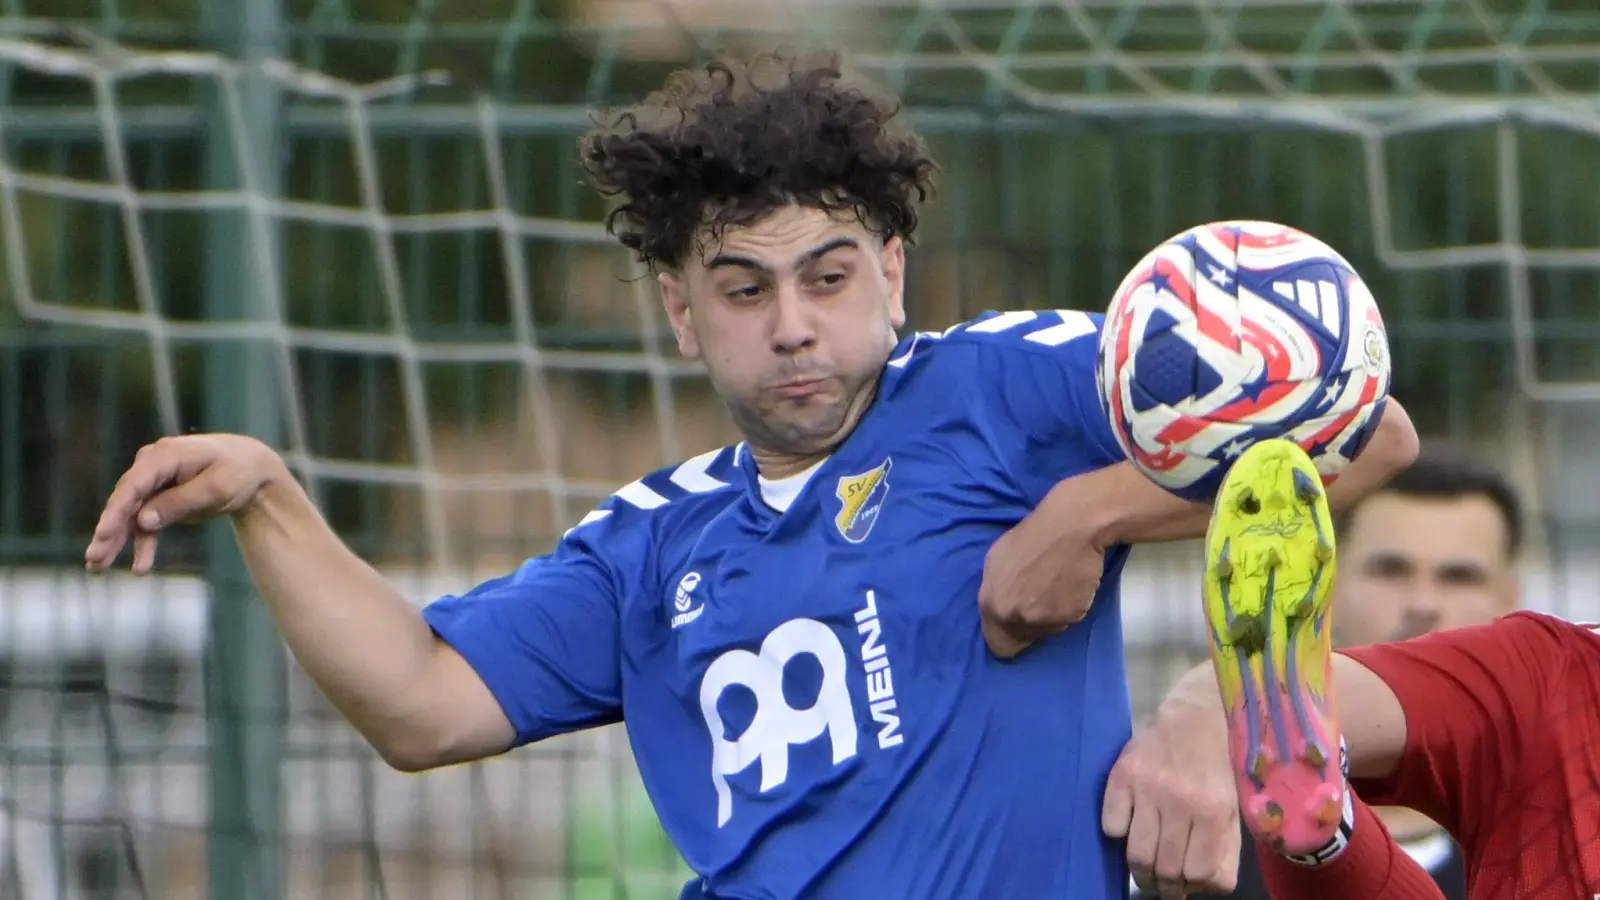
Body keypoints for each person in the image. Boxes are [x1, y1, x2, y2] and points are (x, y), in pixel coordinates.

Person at [82, 49, 1420, 900]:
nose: (792, 325)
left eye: (829, 278)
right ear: (681, 311)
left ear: (891, 269)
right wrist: (268, 495)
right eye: (744, 289)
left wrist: (1089, 511)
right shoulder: (645, 548)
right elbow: (425, 708)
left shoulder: (1002, 389)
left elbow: (1366, 435)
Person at [1126, 442, 1523, 900]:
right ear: (1321, 581)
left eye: (1459, 577)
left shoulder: (1560, 840)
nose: (1422, 604)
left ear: (1510, 598)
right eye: (1390, 570)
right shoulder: (1208, 849)